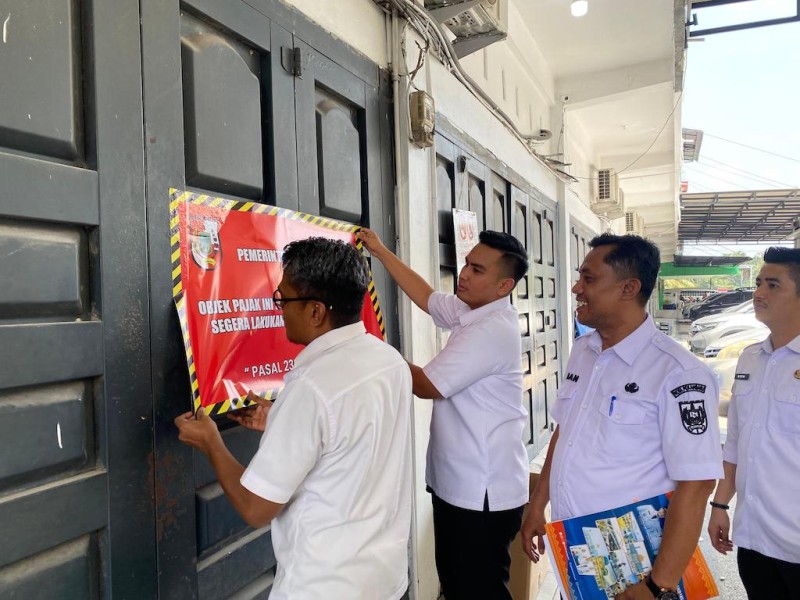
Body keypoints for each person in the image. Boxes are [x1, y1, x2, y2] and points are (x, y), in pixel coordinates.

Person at [175, 237, 413, 600]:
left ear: (316, 312)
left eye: (283, 299)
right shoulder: (389, 361)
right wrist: (283, 422)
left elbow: (256, 508)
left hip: (324, 587)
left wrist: (211, 441)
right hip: (383, 579)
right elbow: (353, 439)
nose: (279, 308)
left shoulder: (311, 388)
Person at [520, 233, 723, 600]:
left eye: (589, 278)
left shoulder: (679, 374)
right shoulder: (584, 350)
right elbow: (564, 432)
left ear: (629, 288)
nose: (576, 288)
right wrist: (537, 505)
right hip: (578, 548)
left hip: (638, 564)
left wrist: (657, 586)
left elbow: (696, 486)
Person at [356, 227, 529, 600]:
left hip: (480, 493)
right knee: (456, 584)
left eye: (478, 270)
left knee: (476, 590)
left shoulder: (491, 329)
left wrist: (361, 348)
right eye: (467, 264)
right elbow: (427, 297)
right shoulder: (474, 310)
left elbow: (426, 385)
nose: (464, 274)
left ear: (504, 286)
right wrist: (381, 251)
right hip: (460, 484)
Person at [707, 246, 800, 599]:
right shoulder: (750, 359)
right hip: (754, 539)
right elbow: (737, 441)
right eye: (759, 283)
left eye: (773, 285)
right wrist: (719, 505)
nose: (758, 293)